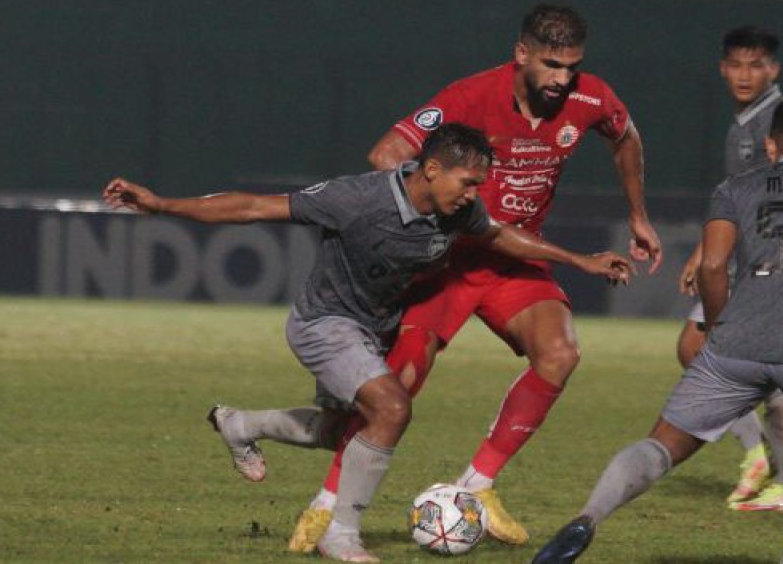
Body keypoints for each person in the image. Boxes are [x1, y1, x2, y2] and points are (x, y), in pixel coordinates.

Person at [101, 123, 635, 564]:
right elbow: (254, 207)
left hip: (374, 327)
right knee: (392, 407)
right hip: (325, 323)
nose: (474, 195)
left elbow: (496, 233)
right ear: (431, 170)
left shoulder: (459, 210)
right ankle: (342, 535)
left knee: (343, 433)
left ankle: (240, 424)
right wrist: (161, 205)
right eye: (468, 183)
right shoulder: (356, 198)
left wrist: (578, 260)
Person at [288, 3, 664, 551]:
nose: (562, 79)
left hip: (516, 260)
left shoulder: (590, 98)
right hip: (448, 264)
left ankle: (477, 486)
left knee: (559, 353)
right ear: (521, 54)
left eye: (572, 67)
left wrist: (637, 214)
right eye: (552, 65)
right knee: (395, 389)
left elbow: (626, 136)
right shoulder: (468, 98)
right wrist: (420, 219)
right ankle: (328, 506)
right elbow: (387, 153)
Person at [531, 97, 783, 564]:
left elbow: (712, 265)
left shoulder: (736, 189)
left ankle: (587, 518)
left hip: (736, 344)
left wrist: (720, 328)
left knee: (661, 445)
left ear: (772, 146)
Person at [675, 25, 783, 512]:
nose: (744, 74)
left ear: (773, 69)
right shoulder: (747, 120)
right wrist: (705, 250)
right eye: (736, 64)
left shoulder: (778, 119)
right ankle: (759, 455)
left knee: (758, 367)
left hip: (767, 260)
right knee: (696, 348)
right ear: (722, 67)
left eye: (756, 65)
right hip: (743, 256)